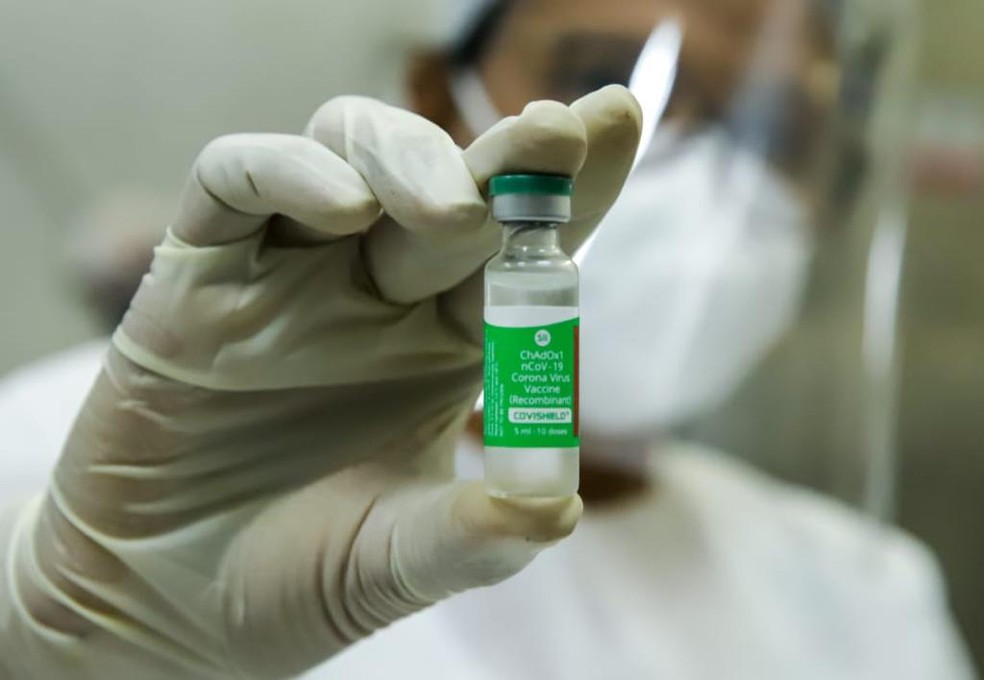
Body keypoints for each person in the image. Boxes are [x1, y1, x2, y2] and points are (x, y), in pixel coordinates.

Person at [0, 2, 976, 680]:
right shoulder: (78, 464)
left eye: (774, 131)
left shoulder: (862, 593)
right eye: (601, 79)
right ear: (433, 94)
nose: (699, 178)